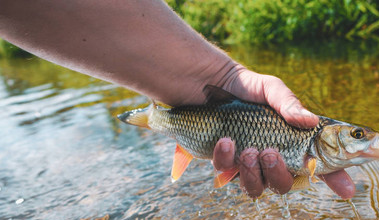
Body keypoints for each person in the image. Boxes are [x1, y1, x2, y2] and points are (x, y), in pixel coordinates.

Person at [0, 0, 356, 198]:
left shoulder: (314, 150)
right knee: (238, 158)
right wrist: (221, 79)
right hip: (202, 118)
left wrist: (225, 78)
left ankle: (168, 122)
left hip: (210, 116)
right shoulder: (313, 139)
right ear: (329, 135)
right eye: (356, 134)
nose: (363, 139)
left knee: (237, 158)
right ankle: (161, 118)